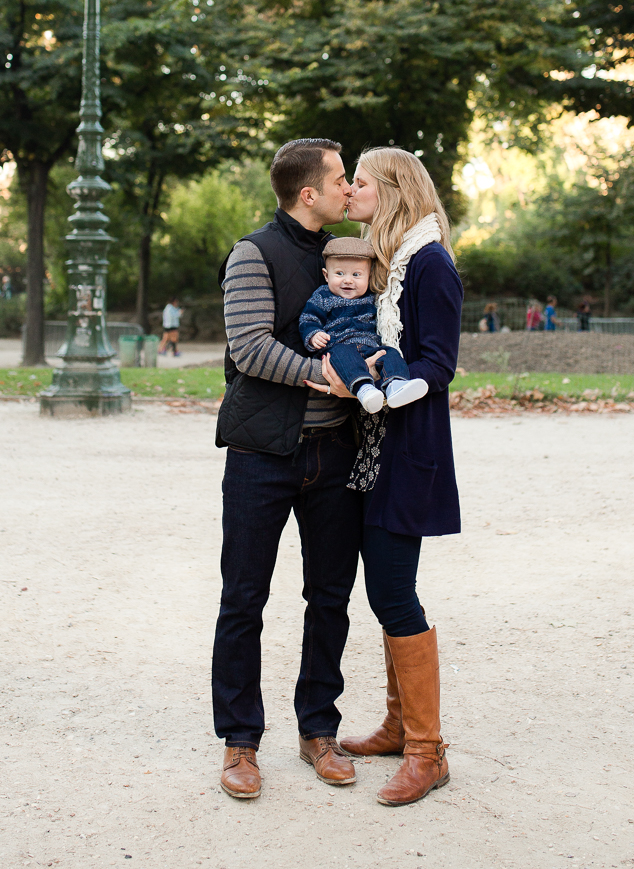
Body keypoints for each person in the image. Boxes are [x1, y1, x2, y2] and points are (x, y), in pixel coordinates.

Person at [212, 138, 370, 801]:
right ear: (309, 193)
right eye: (339, 179)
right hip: (262, 454)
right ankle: (240, 742)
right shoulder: (253, 254)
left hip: (334, 455)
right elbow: (248, 348)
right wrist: (323, 377)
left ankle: (317, 731)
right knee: (245, 598)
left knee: (330, 597)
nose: (348, 189)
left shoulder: (350, 255)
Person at [314, 147, 463, 808]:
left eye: (363, 185)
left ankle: (428, 752)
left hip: (410, 450)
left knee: (396, 595)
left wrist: (398, 385)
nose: (351, 194)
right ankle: (402, 727)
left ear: (395, 190)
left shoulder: (429, 264)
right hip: (375, 448)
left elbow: (439, 362)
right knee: (384, 593)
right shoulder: (393, 265)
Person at [299, 237, 429, 413]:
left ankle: (395, 385)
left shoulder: (372, 297)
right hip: (338, 346)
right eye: (339, 273)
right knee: (344, 356)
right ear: (325, 275)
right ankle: (364, 389)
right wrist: (314, 334)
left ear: (368, 276)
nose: (348, 280)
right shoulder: (322, 296)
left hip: (369, 347)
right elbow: (308, 318)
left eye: (356, 275)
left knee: (389, 353)